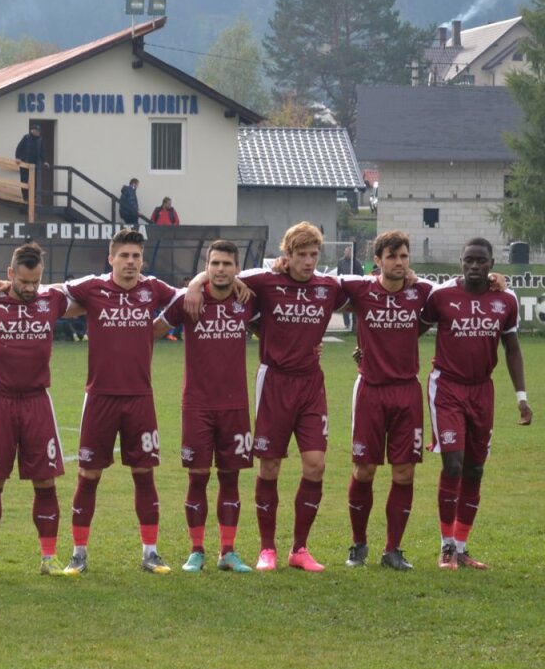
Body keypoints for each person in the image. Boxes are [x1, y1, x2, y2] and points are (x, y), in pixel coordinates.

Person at [184, 221, 347, 572]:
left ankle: (299, 549)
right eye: (301, 255)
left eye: (313, 255)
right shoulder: (264, 280)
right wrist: (197, 283)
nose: (308, 261)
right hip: (273, 381)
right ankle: (267, 549)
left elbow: (372, 297)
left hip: (311, 385)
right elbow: (223, 274)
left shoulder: (329, 286)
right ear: (285, 256)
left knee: (316, 464)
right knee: (269, 465)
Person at [59, 230, 183, 575]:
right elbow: (50, 292)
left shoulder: (153, 289)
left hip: (140, 398)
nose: (130, 262)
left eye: (136, 256)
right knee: (88, 475)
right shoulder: (93, 287)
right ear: (110, 258)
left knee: (144, 474)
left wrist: (156, 327)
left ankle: (151, 553)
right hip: (98, 398)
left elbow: (186, 299)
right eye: (124, 255)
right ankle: (78, 555)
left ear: (142, 260)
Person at [0, 243, 75, 576]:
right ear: (11, 273)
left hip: (38, 402)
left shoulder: (52, 299)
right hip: (0, 400)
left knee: (45, 481)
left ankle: (49, 558)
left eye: (35, 281)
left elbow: (93, 294)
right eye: (24, 281)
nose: (30, 288)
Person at [422, 237, 531, 570]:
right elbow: (407, 332)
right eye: (468, 259)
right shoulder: (440, 297)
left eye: (480, 261)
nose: (474, 266)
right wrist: (369, 353)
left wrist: (521, 397)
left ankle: (461, 547)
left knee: (475, 469)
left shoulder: (505, 300)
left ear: (491, 263)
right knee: (452, 466)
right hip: (447, 388)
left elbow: (512, 349)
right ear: (460, 261)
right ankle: (445, 548)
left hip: (482, 391)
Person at [159, 240, 258, 574]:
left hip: (236, 407)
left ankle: (228, 552)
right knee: (197, 477)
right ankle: (196, 551)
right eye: (214, 263)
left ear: (237, 269)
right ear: (207, 266)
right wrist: (192, 285)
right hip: (197, 405)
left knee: (230, 478)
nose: (220, 269)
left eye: (227, 264)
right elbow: (153, 330)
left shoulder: (247, 301)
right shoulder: (189, 301)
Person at [337, 231, 433, 571]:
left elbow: (459, 293)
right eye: (392, 256)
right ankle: (358, 545)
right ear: (377, 260)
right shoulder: (360, 289)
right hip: (371, 391)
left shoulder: (421, 292)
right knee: (364, 470)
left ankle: (393, 550)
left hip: (407, 391)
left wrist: (496, 281)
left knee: (404, 472)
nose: (399, 263)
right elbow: (317, 284)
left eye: (404, 257)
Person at [15, 123, 45, 203]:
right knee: (24, 181)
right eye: (36, 130)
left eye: (39, 131)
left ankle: (33, 198)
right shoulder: (26, 137)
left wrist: (44, 161)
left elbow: (42, 152)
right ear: (32, 130)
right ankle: (25, 198)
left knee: (34, 182)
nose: (38, 132)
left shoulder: (40, 140)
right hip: (25, 163)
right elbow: (19, 148)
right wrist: (18, 158)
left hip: (35, 165)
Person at [337, 247, 364, 332]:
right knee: (344, 305)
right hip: (344, 286)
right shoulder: (341, 262)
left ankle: (355, 325)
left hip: (354, 287)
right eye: (346, 251)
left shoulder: (357, 262)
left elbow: (361, 275)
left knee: (354, 306)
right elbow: (339, 273)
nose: (347, 253)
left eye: (349, 252)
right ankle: (347, 323)